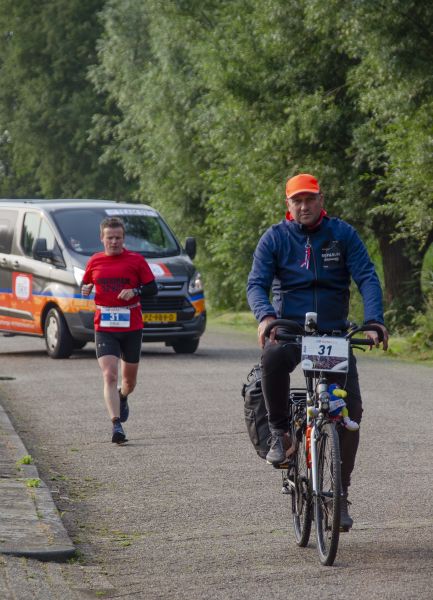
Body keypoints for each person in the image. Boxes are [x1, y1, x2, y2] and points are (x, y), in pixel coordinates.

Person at [247, 173, 389, 528]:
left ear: (321, 200)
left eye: (310, 199)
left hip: (333, 333)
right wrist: (266, 318)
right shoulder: (275, 238)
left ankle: (339, 495)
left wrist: (374, 321)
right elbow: (257, 284)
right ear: (288, 204)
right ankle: (280, 433)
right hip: (290, 330)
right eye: (297, 200)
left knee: (350, 412)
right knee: (272, 357)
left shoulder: (342, 234)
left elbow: (367, 277)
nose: (304, 206)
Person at [81, 216, 157, 444]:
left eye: (118, 238)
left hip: (131, 326)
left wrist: (135, 291)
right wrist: (86, 288)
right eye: (110, 238)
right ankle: (116, 425)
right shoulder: (94, 261)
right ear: (102, 238)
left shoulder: (136, 260)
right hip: (105, 326)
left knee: (129, 382)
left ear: (124, 239)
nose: (114, 242)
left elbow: (152, 288)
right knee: (109, 374)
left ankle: (123, 396)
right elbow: (86, 282)